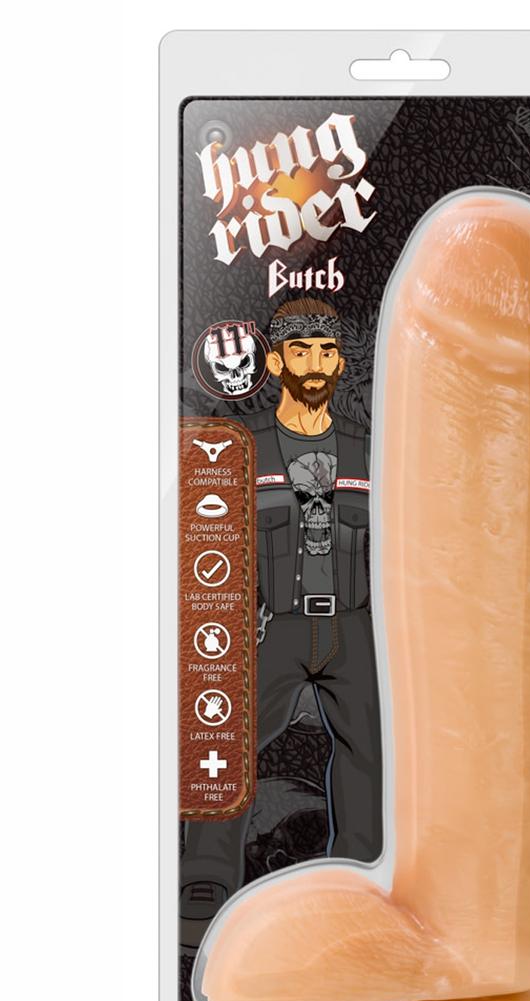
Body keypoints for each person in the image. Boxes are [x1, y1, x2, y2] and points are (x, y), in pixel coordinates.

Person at [180, 298, 382, 949]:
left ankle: (362, 888)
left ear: (340, 363)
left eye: (326, 352)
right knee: (227, 743)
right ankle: (205, 879)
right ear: (275, 363)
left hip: (355, 628)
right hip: (277, 628)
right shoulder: (241, 447)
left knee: (372, 755)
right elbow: (208, 540)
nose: (315, 364)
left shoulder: (370, 451)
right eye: (300, 351)